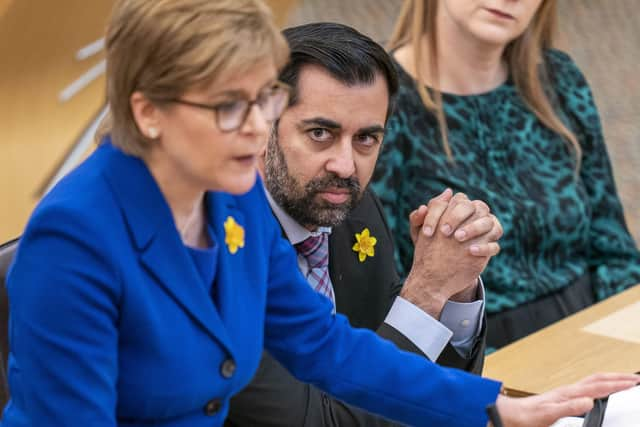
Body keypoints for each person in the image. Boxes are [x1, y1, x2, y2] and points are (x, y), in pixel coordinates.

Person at [2, 1, 637, 426]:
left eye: (262, 103)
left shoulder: (232, 197)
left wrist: (495, 407)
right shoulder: (76, 233)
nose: (256, 132)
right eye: (230, 108)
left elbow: (324, 346)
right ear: (148, 113)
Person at [226, 22, 502, 427]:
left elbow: (429, 395)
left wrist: (454, 289)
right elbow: (315, 420)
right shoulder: (223, 244)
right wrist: (425, 294)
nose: (345, 166)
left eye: (366, 139)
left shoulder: (351, 208)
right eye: (320, 133)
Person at [371, 0, 640, 349]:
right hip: (471, 353)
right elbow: (380, 292)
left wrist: (623, 343)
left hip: (593, 333)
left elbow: (614, 249)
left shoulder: (558, 79)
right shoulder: (382, 102)